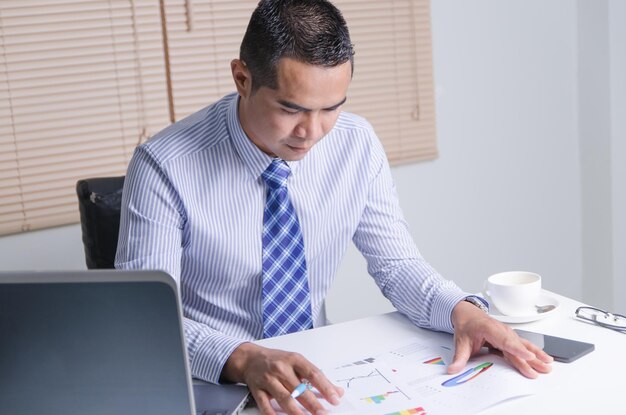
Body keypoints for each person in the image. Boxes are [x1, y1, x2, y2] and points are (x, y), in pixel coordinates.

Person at [115, 1, 552, 414]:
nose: (311, 132)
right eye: (291, 109)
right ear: (242, 78)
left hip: (316, 374)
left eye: (331, 108)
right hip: (210, 388)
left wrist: (464, 313)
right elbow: (142, 323)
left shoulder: (355, 144)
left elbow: (398, 265)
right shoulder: (165, 165)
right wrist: (244, 358)